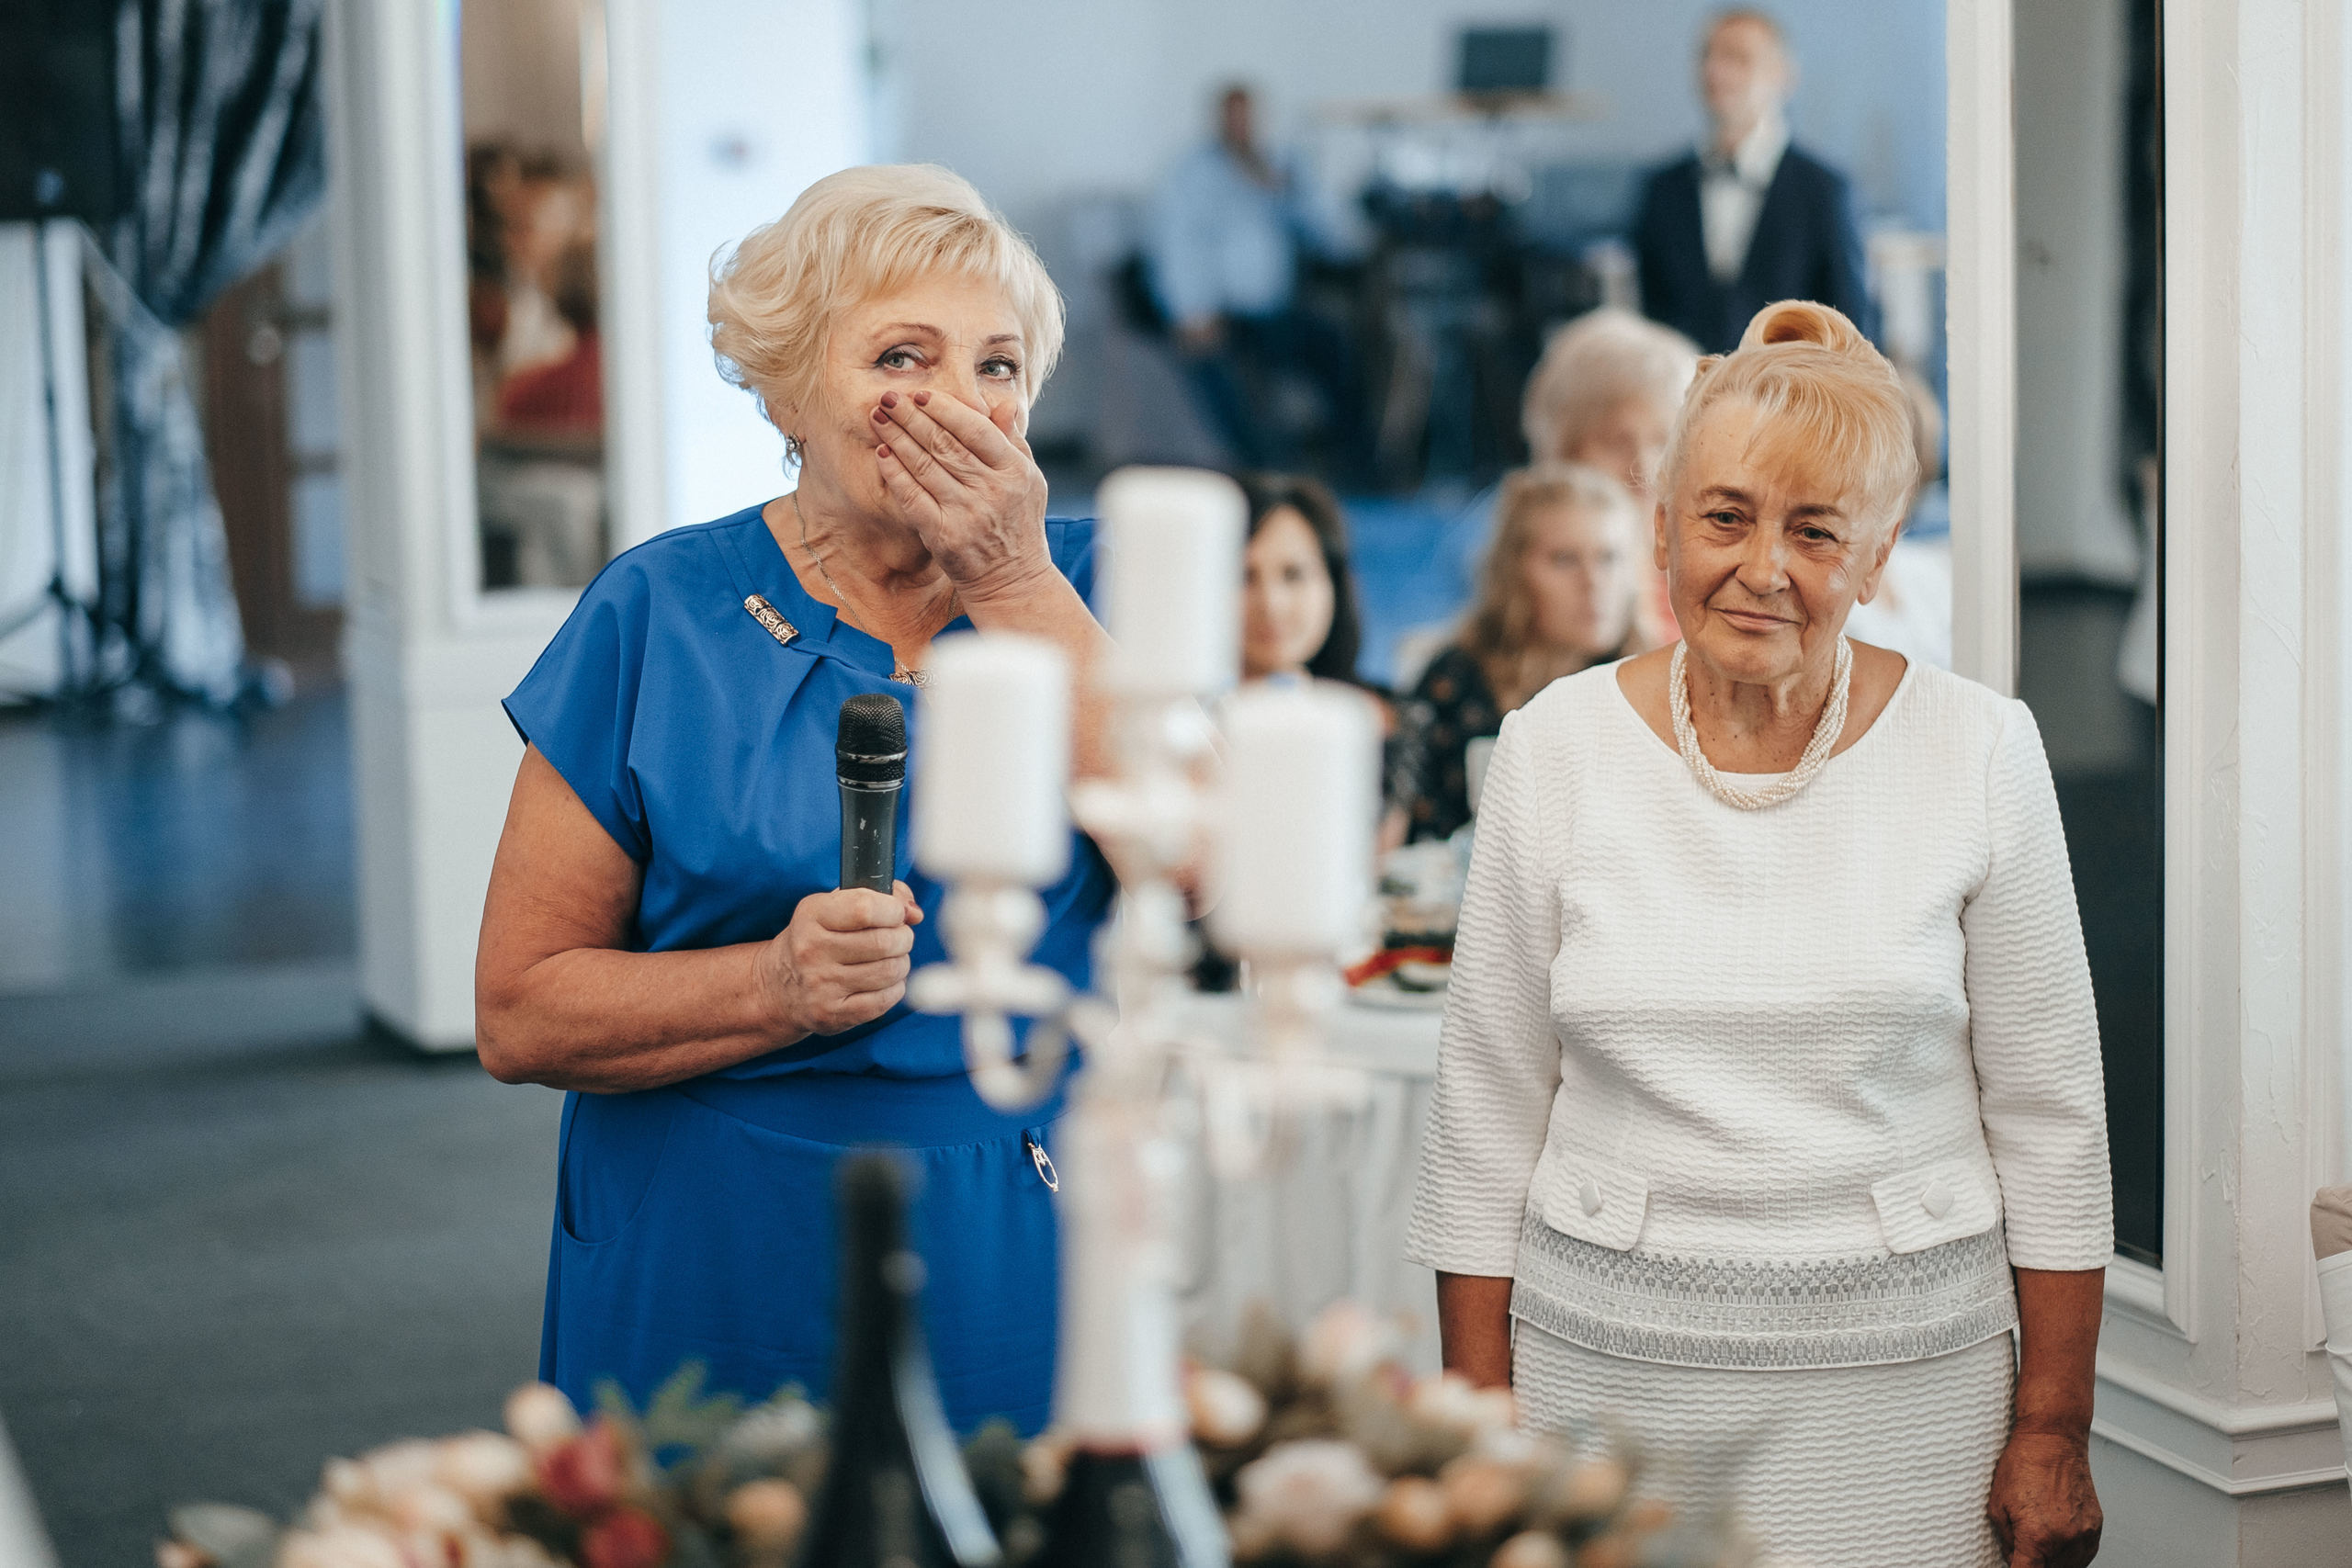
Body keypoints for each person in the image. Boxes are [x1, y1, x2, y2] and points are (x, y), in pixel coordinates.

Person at [1408, 300, 2109, 1567]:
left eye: (1816, 528)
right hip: (1603, 1377)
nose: (1764, 565)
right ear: (1662, 518)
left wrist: (2055, 1422)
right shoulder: (1552, 746)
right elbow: (1484, 1110)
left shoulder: (1982, 746)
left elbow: (2054, 1115)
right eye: (1726, 515)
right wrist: (1478, 1418)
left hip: (1915, 1390)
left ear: (1883, 548)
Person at [473, 164, 1118, 1436]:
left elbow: (1211, 863)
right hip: (708, 1221)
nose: (955, 402)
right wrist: (770, 987)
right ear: (787, 385)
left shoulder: (1090, 588)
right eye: (902, 355)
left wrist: (1015, 584)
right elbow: (518, 1009)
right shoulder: (658, 609)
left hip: (1015, 1215)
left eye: (997, 366)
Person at [1391, 464, 1643, 845]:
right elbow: (1421, 845)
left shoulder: (1660, 679)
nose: (1593, 583)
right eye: (1564, 559)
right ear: (1514, 570)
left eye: (1609, 558)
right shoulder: (1455, 680)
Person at [1146, 85, 1369, 475]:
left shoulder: (1281, 168)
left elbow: (1341, 241)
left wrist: (1290, 189)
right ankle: (1262, 471)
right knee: (1213, 368)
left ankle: (1358, 464)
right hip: (1218, 314)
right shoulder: (1191, 174)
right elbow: (1176, 245)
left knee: (1335, 345)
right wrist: (1191, 311)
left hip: (1275, 312)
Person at [1441, 309, 1697, 644]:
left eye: (1663, 441)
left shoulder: (1708, 572)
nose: (1644, 467)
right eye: (1615, 441)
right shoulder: (1519, 580)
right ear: (1562, 451)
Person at [1631, 10, 1877, 355]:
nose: (1715, 71)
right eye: (1708, 56)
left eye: (1737, 57)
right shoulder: (1662, 189)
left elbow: (1851, 330)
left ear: (1783, 75)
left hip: (1790, 400)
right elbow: (1651, 320)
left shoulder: (1824, 190)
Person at [1238, 471, 1365, 685]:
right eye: (1244, 577)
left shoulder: (1373, 715)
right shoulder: (1174, 715)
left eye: (1294, 575)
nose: (1271, 604)